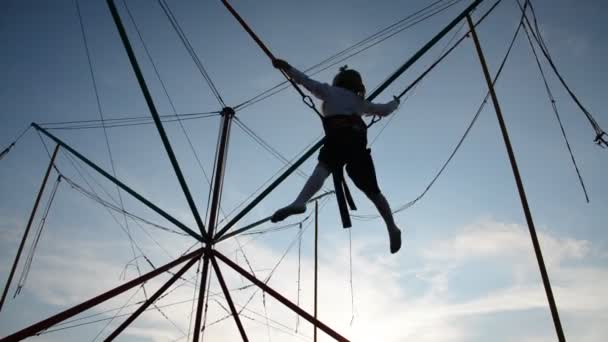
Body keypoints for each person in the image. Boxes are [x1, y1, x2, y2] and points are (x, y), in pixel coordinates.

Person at [270, 59, 403, 254]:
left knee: (323, 167)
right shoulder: (360, 102)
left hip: (338, 138)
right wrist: (396, 102)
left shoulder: (329, 92)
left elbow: (304, 81)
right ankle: (392, 226)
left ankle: (300, 201)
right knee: (373, 191)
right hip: (357, 142)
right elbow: (383, 110)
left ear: (337, 82)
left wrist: (287, 68)